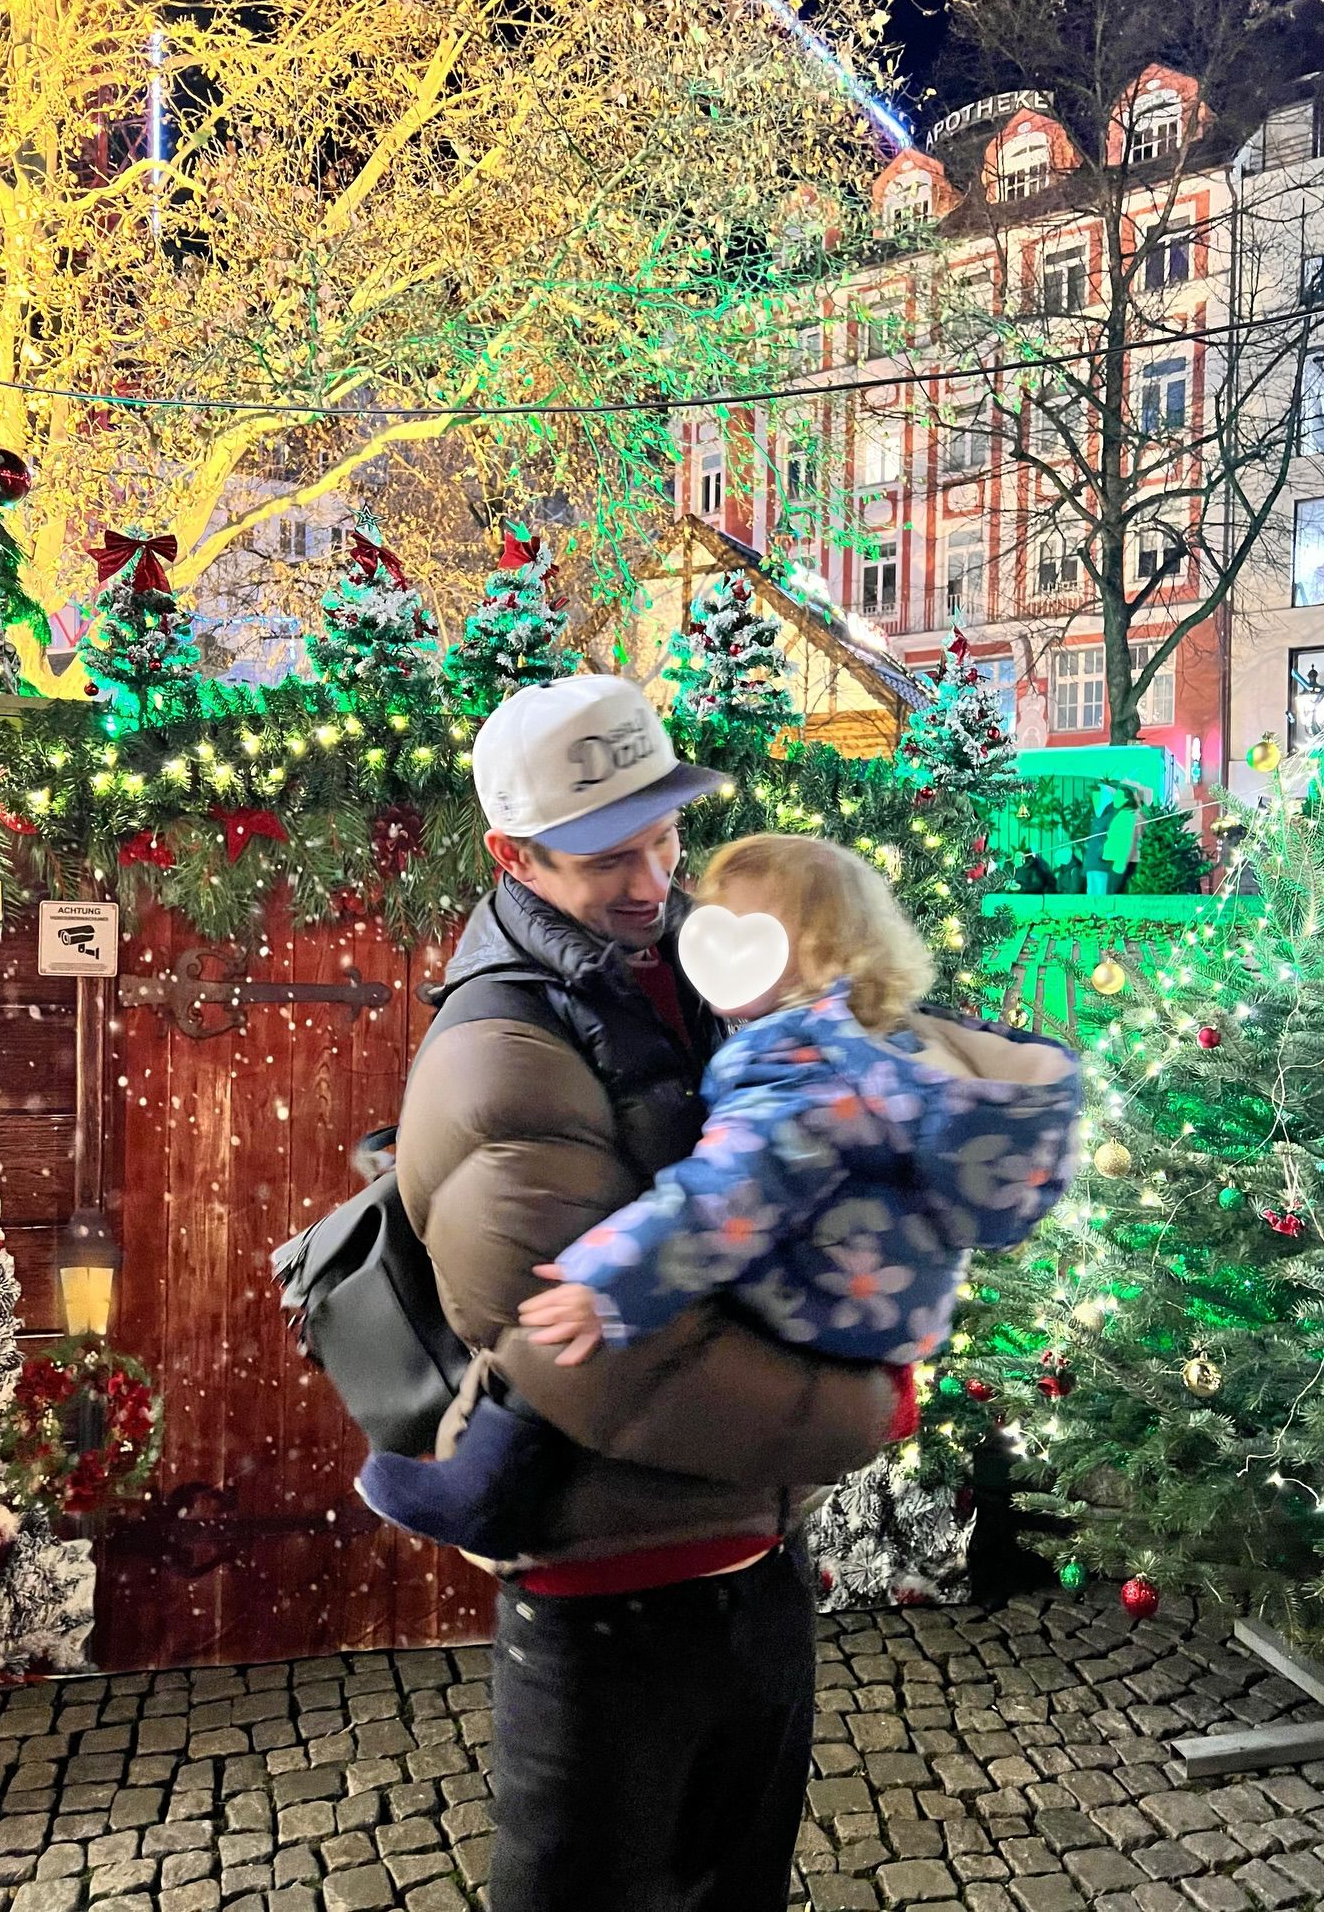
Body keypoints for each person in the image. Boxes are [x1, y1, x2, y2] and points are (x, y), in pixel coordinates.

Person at [384, 674, 902, 1912]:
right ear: (513, 855)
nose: (651, 878)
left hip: (755, 1563)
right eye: (606, 855)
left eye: (665, 837)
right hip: (608, 1597)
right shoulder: (499, 1054)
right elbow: (609, 1364)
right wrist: (868, 1407)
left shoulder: (695, 975)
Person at [517, 833, 1079, 1368]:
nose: (709, 945)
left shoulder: (798, 1068)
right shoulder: (888, 1041)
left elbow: (726, 1194)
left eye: (741, 927)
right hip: (893, 1312)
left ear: (814, 953)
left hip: (818, 1311)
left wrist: (610, 1283)